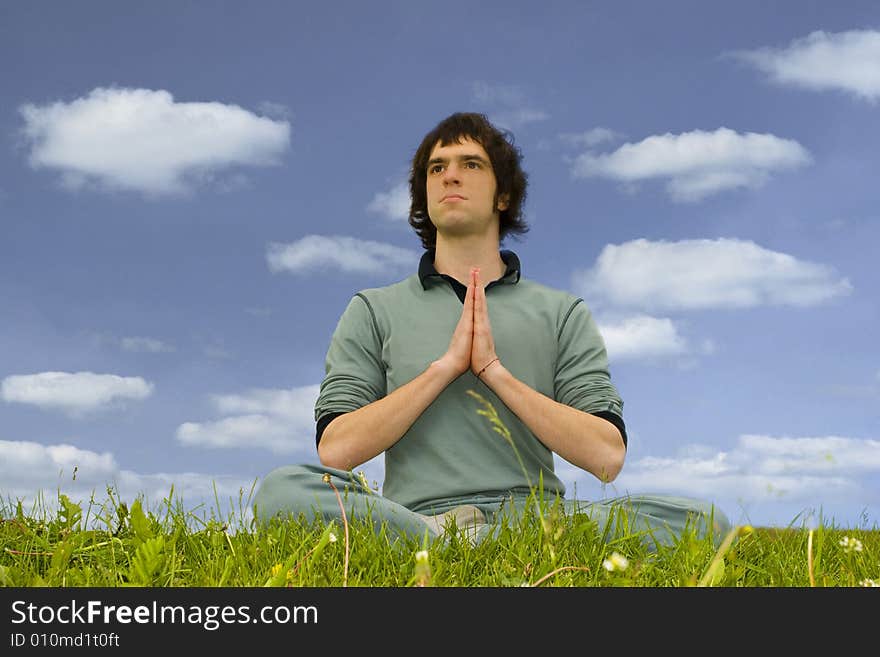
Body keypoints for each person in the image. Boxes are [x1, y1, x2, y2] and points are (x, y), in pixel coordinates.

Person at [254, 112, 731, 549]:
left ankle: (468, 550)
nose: (450, 176)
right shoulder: (373, 309)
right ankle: (440, 541)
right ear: (424, 193)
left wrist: (493, 371)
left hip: (541, 519)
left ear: (503, 195)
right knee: (282, 491)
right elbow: (336, 448)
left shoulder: (562, 312)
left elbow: (606, 457)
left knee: (705, 523)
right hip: (417, 518)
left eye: (471, 164)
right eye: (436, 169)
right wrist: (444, 369)